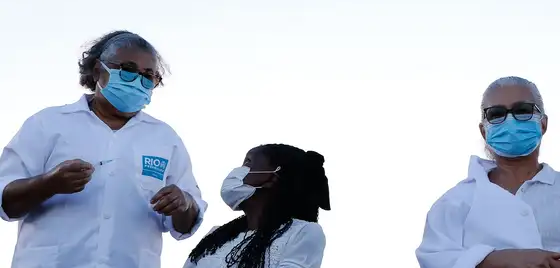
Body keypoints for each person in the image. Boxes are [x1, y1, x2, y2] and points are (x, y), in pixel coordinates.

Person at [0, 30, 207, 268]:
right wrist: (48, 183)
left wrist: (184, 203)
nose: (138, 80)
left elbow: (186, 224)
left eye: (148, 76)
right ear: (98, 70)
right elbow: (5, 200)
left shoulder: (164, 139)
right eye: (128, 69)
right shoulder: (48, 124)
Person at [417, 76, 560, 268]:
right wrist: (501, 260)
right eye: (496, 114)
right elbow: (435, 259)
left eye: (522, 110)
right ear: (483, 130)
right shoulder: (455, 201)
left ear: (543, 124)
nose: (510, 120)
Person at [183, 144, 330, 268]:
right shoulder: (215, 235)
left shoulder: (303, 232)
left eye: (248, 163)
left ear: (273, 177)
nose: (238, 171)